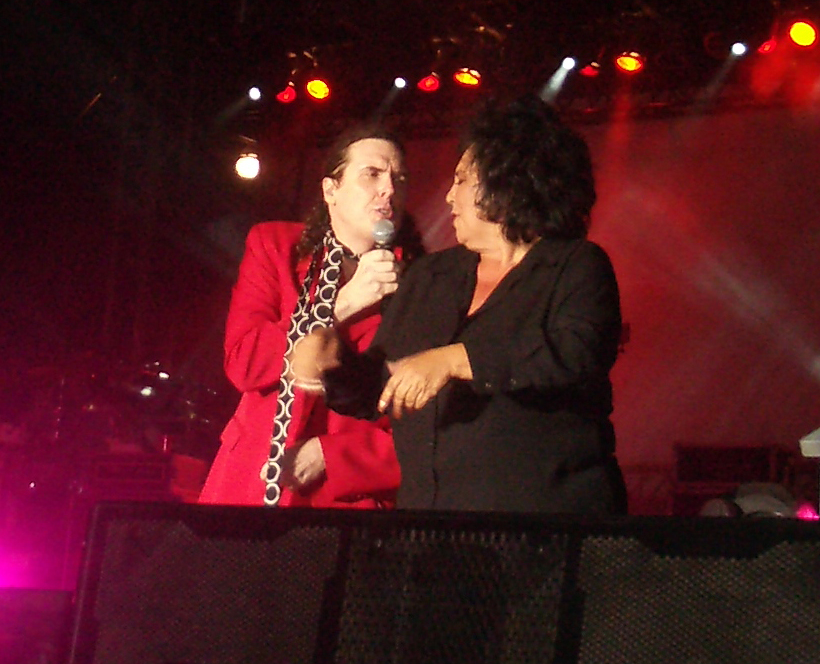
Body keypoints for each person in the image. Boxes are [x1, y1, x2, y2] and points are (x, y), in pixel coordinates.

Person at [293, 93, 626, 514]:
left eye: (462, 180)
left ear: (508, 181)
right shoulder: (430, 276)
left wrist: (455, 359)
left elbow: (576, 352)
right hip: (432, 524)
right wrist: (331, 365)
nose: (450, 196)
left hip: (546, 523)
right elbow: (383, 384)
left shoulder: (576, 265)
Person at [199, 122, 421, 508]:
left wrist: (331, 455)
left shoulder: (420, 283)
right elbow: (245, 363)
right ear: (330, 190)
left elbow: (428, 430)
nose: (388, 188)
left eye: (398, 179)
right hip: (252, 483)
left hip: (345, 500)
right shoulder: (275, 247)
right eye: (372, 174)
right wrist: (342, 305)